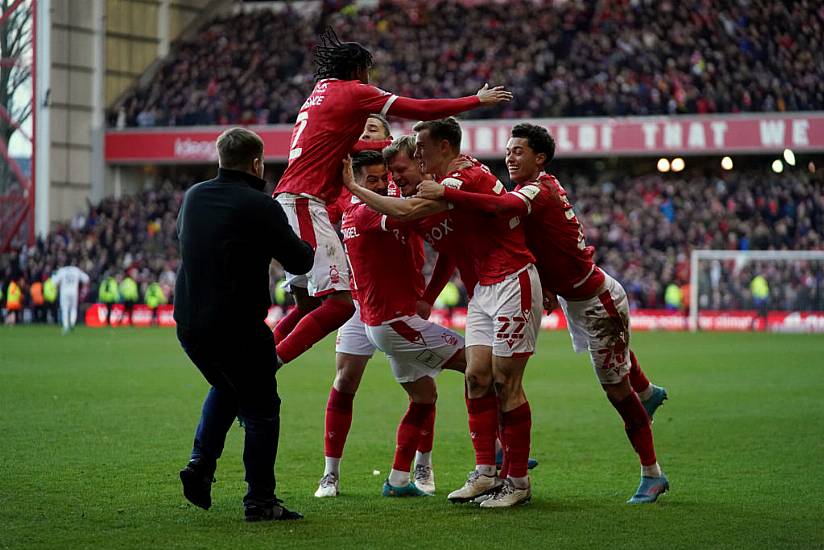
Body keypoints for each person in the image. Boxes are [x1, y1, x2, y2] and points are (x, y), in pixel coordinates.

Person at [417, 122, 669, 503]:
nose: (510, 156)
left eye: (519, 151)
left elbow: (506, 208)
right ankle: (647, 389)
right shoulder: (527, 189)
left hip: (596, 301)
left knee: (616, 390)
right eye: (508, 150)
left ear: (540, 158)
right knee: (614, 367)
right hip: (573, 297)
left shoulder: (540, 189)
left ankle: (652, 473)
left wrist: (451, 195)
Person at [271, 27, 513, 370]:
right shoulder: (354, 92)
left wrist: (392, 148)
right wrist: (476, 101)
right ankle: (264, 368)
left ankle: (251, 361)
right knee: (339, 306)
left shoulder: (319, 93)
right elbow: (422, 109)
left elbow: (354, 147)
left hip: (293, 200)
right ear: (358, 71)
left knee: (308, 306)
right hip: (304, 202)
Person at [343, 118, 542, 508]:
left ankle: (516, 479)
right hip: (482, 289)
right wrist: (430, 295)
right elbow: (448, 251)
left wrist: (352, 188)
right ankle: (486, 473)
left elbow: (410, 211)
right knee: (475, 375)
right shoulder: (432, 187)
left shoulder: (457, 178)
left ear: (443, 149)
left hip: (511, 277)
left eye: (410, 161)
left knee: (503, 381)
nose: (401, 174)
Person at [174, 127, 314, 522]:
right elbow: (299, 260)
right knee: (262, 410)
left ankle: (201, 464)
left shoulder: (193, 196)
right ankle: (260, 500)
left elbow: (189, 239)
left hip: (188, 323)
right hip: (238, 325)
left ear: (220, 159)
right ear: (257, 163)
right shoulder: (260, 205)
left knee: (226, 385)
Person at [338, 151, 467, 497]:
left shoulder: (365, 210)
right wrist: (451, 190)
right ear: (356, 184)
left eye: (385, 179)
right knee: (479, 364)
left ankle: (397, 480)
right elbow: (410, 211)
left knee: (425, 396)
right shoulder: (366, 212)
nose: (382, 185)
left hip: (388, 322)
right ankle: (496, 454)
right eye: (372, 180)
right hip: (394, 323)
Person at [52, 265, 90, 333]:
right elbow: (86, 278)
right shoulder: (76, 270)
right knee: (73, 308)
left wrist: (57, 281)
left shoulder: (62, 270)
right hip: (74, 292)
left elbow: (54, 282)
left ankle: (66, 326)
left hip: (64, 292)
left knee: (65, 309)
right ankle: (72, 323)